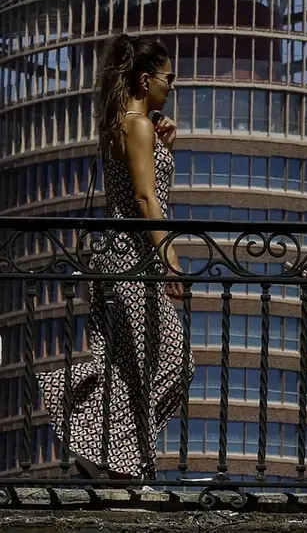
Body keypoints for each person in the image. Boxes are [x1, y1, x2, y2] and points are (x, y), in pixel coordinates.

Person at [38, 33, 188, 481]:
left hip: (118, 256)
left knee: (132, 362)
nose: (171, 86)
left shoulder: (128, 123)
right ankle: (110, 455)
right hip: (131, 258)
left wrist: (165, 143)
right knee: (170, 358)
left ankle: (116, 460)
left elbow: (144, 185)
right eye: (167, 78)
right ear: (145, 80)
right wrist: (169, 258)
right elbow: (145, 198)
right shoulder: (136, 125)